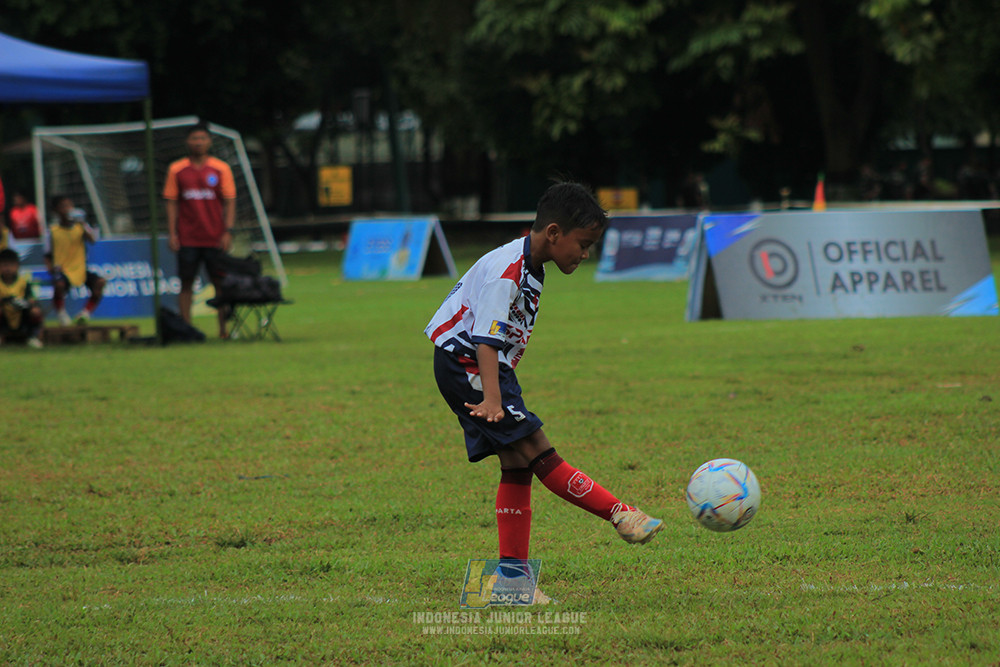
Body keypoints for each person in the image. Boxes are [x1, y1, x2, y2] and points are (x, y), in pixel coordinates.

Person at [425, 182, 663, 604]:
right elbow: (485, 339)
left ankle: (512, 581)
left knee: (517, 462)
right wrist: (493, 399)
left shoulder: (531, 264)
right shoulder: (509, 270)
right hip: (468, 363)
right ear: (554, 233)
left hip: (480, 365)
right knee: (536, 447)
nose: (584, 254)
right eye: (583, 244)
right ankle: (620, 514)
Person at [163, 122, 237, 339]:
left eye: (202, 138)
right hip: (188, 237)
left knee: (219, 284)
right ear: (187, 142)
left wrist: (228, 231)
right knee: (186, 283)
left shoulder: (221, 168)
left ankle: (223, 330)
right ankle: (186, 330)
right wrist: (172, 233)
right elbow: (171, 202)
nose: (198, 142)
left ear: (209, 142)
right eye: (194, 138)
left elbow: (230, 201)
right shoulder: (177, 169)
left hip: (215, 236)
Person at [45, 195, 105, 326]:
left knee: (100, 282)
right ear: (56, 210)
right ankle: (61, 314)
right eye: (63, 206)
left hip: (80, 269)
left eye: (69, 205)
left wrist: (83, 223)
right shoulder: (52, 231)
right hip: (62, 269)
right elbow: (47, 254)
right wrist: (50, 269)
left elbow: (93, 240)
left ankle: (85, 314)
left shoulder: (80, 227)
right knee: (59, 285)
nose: (68, 209)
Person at [0, 248, 44, 348]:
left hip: (22, 316)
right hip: (5, 317)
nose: (8, 269)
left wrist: (24, 303)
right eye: (4, 265)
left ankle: (32, 336)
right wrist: (6, 301)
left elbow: (32, 300)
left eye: (11, 265)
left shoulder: (23, 282)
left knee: (35, 311)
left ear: (17, 266)